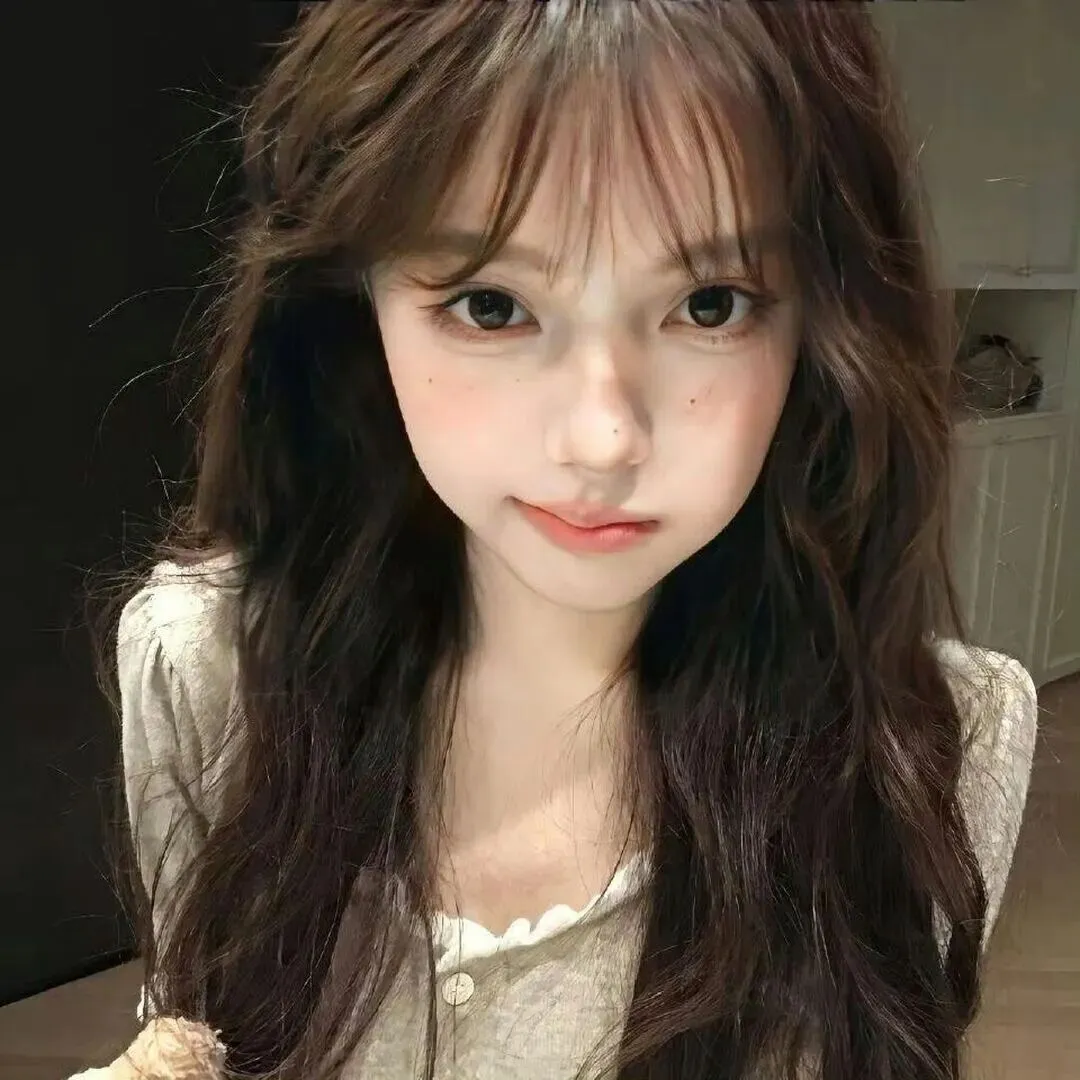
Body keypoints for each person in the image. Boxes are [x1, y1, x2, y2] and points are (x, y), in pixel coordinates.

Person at [91, 3, 1039, 1078]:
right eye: (492, 306)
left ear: (825, 323)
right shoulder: (214, 672)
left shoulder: (932, 749)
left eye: (711, 305)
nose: (602, 437)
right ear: (357, 305)